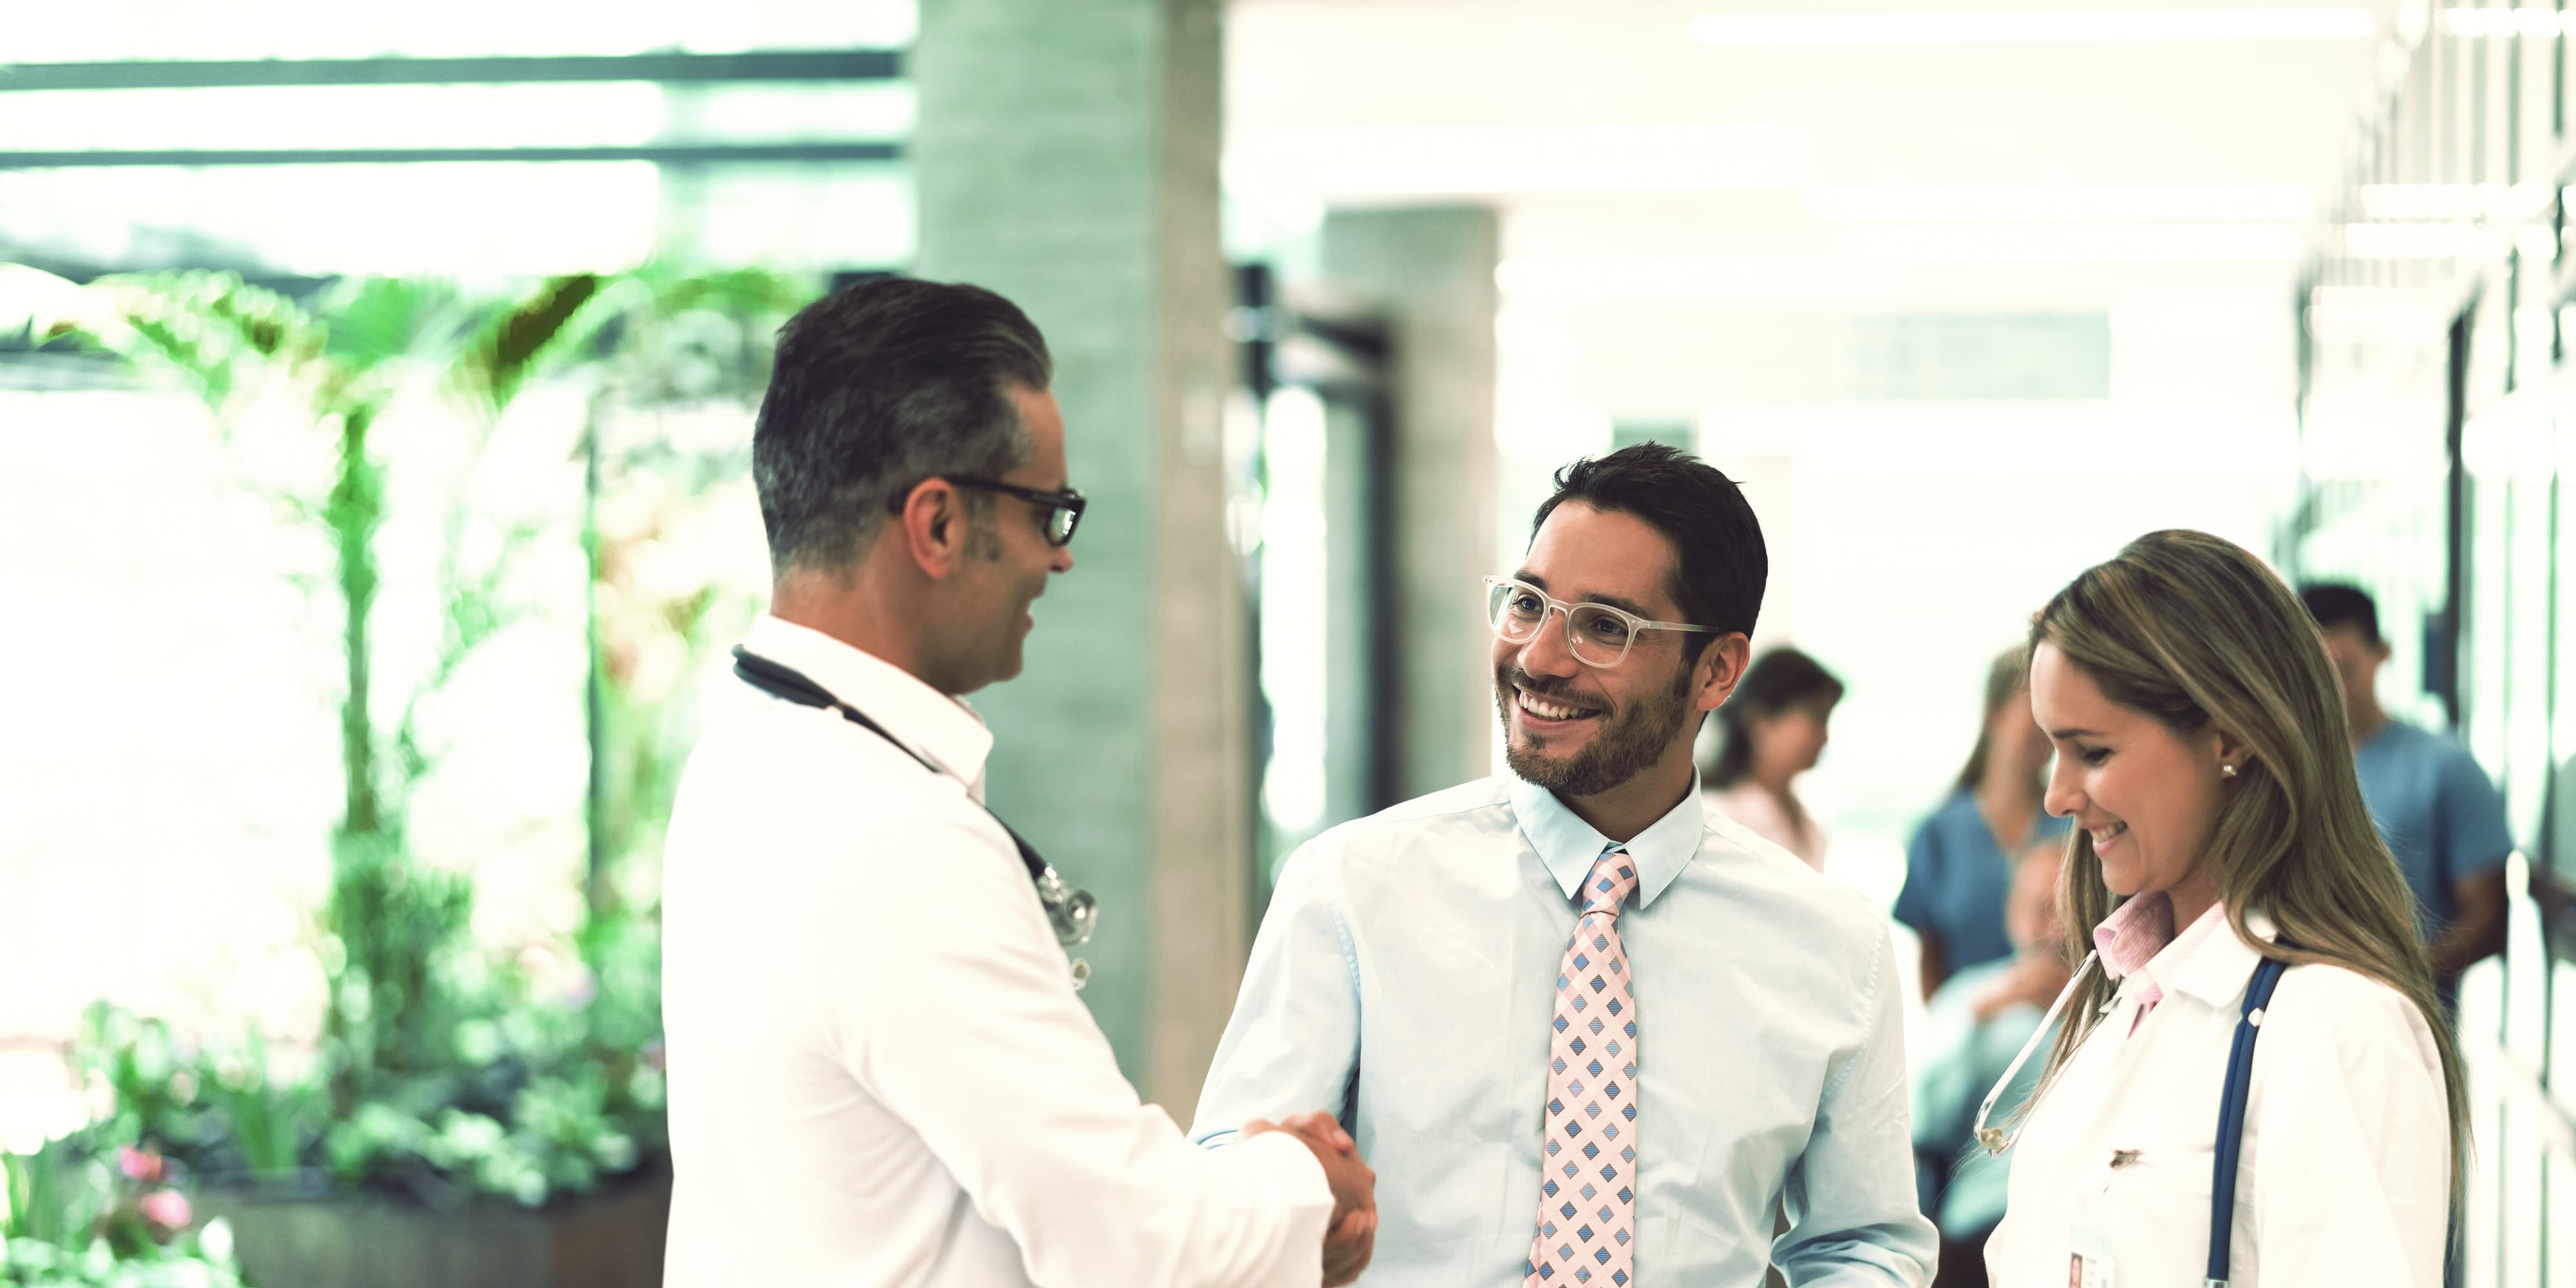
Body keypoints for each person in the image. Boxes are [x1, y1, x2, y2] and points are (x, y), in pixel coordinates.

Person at [658, 277, 1378, 1287]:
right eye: (1050, 512)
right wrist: (1304, 1182)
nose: (1060, 558)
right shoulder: (890, 838)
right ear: (939, 526)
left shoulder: (748, 754)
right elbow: (1138, 1250)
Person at [1189, 443, 1937, 1287]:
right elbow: (1231, 1187)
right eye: (1528, 603)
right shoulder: (1354, 889)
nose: (1540, 658)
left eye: (1605, 627)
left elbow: (1864, 1245)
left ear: (1718, 670)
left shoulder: (1834, 944)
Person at [1985, 531, 2466, 1287]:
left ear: (2230, 735)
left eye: (2093, 751)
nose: (2056, 795)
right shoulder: (2130, 993)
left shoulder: (2337, 1024)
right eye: (2052, 748)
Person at [2298, 583, 2512, 1012]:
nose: (2332, 689)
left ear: (2383, 652)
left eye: (2346, 668)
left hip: (2410, 1029)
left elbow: (2489, 920)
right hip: (2294, 1024)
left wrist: (2395, 979)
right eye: (2317, 671)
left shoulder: (2446, 767)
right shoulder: (2280, 770)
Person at [1910, 836, 2068, 1288]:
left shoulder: (2114, 1001)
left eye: (2062, 910)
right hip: (1979, 1219)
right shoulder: (1967, 999)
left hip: (2067, 1223)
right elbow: (1918, 1120)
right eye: (2040, 910)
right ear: (2012, 913)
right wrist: (1981, 1017)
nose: (2053, 929)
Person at [1895, 649, 2070, 999]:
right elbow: (1931, 964)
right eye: (2035, 711)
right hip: (1969, 1034)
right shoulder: (1939, 835)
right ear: (1994, 714)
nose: (2047, 728)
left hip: (2056, 1033)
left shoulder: (2074, 827)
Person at [1700, 646, 1843, 870]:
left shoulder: (1805, 820)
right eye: (1816, 717)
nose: (1824, 736)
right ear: (1761, 721)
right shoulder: (1718, 816)